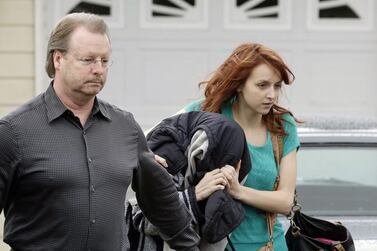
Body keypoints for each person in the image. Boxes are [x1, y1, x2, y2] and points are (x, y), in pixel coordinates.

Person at [0, 12, 200, 251]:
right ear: (58, 59)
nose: (98, 69)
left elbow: (161, 202)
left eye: (104, 61)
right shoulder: (15, 132)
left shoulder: (125, 127)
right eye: (88, 60)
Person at [182, 42, 300, 250]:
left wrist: (238, 190)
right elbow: (152, 149)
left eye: (277, 86)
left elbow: (285, 201)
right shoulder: (206, 114)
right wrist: (194, 192)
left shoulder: (283, 127)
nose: (272, 94)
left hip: (270, 246)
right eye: (262, 85)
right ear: (239, 84)